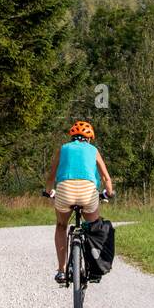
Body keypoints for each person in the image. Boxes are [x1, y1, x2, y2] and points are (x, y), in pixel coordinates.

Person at [46, 120, 114, 285]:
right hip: (88, 193)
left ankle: (61, 270)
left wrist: (49, 191)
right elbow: (106, 177)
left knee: (61, 226)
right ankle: (94, 268)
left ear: (72, 137)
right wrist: (109, 192)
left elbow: (51, 176)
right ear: (89, 138)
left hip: (65, 191)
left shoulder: (63, 149)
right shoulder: (93, 150)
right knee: (94, 228)